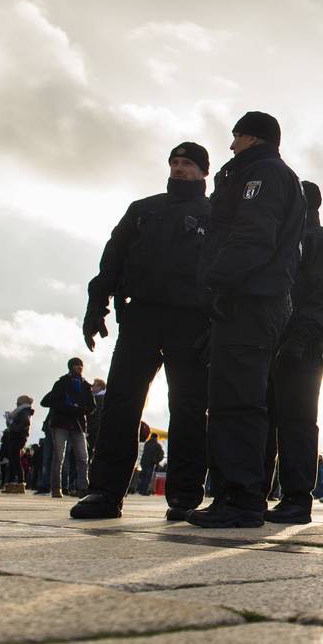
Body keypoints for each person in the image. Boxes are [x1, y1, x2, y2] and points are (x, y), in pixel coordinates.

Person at [72, 142, 213, 520]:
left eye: (187, 164)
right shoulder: (143, 209)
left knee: (188, 406)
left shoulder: (216, 214)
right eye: (175, 162)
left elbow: (223, 273)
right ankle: (105, 492)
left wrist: (216, 323)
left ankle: (184, 496)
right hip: (141, 316)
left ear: (204, 172)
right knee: (121, 401)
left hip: (190, 321)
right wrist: (96, 305)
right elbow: (112, 259)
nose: (179, 169)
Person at [190, 111, 305, 528]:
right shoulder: (265, 173)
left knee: (237, 401)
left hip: (250, 299)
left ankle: (241, 500)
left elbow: (253, 236)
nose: (231, 144)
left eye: (236, 136)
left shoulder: (263, 174)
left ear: (252, 137)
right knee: (231, 399)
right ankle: (233, 495)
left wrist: (216, 282)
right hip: (252, 299)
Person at [260, 180, 323, 525]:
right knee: (261, 417)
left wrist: (305, 334)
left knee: (296, 421)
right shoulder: (280, 235)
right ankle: (252, 492)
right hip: (268, 339)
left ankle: (296, 498)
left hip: (302, 344)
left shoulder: (322, 239)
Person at [42, 359, 95, 498]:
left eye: (81, 365)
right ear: (71, 367)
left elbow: (92, 406)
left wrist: (80, 410)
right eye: (77, 365)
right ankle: (56, 487)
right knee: (59, 457)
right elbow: (53, 402)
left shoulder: (86, 385)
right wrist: (69, 408)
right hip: (61, 423)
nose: (79, 367)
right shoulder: (61, 383)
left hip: (78, 424)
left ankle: (83, 487)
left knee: (83, 457)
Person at [0, 396, 34, 493]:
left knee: (15, 460)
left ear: (22, 402)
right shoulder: (23, 411)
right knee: (13, 460)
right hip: (17, 437)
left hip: (18, 437)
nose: (16, 403)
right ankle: (12, 483)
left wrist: (12, 424)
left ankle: (20, 482)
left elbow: (25, 422)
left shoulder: (24, 411)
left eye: (18, 401)